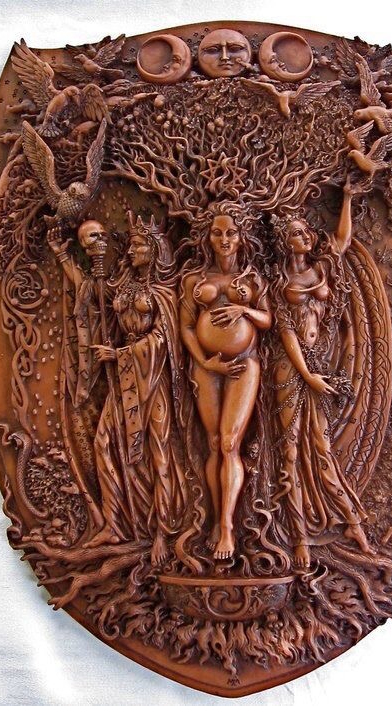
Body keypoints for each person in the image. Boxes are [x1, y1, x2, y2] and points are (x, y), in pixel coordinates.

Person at [271, 179, 372, 569]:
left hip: (319, 362)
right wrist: (306, 374)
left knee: (322, 445)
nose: (304, 238)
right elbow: (285, 331)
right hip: (289, 367)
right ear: (284, 242)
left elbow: (342, 240)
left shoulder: (323, 268)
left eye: (305, 232)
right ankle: (298, 537)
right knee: (289, 450)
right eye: (295, 234)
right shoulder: (279, 281)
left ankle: (351, 521)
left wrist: (346, 197)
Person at [82, 212, 187, 567]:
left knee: (159, 450)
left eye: (138, 246)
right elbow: (96, 300)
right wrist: (87, 263)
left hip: (152, 377)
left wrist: (121, 354)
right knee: (103, 441)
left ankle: (162, 532)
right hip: (124, 375)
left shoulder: (164, 292)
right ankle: (114, 523)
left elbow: (164, 339)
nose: (130, 251)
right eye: (130, 245)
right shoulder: (122, 284)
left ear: (155, 249)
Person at [179, 201, 272, 560]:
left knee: (231, 441)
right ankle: (214, 521)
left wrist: (244, 308)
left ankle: (228, 527)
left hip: (244, 365)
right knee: (215, 442)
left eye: (231, 232)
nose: (224, 239)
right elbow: (187, 326)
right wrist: (205, 361)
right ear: (208, 237)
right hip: (207, 367)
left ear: (241, 236)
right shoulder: (195, 280)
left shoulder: (252, 279)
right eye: (217, 233)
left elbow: (267, 320)